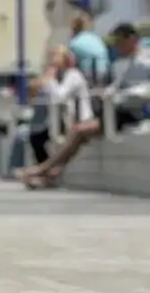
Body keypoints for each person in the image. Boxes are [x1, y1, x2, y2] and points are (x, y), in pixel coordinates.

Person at [16, 45, 98, 189]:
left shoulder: (73, 74)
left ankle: (43, 171)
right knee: (39, 136)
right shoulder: (62, 76)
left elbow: (59, 96)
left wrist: (49, 81)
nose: (52, 63)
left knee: (53, 138)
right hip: (65, 120)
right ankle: (46, 174)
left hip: (81, 120)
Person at [68, 11, 109, 85]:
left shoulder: (74, 42)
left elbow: (72, 62)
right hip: (103, 70)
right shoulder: (95, 37)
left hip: (87, 73)